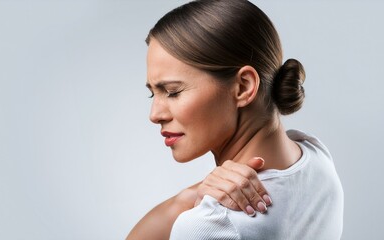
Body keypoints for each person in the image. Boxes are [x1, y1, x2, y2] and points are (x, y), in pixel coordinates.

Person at [128, 0, 344, 239]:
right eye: (153, 93)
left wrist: (193, 203)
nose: (155, 115)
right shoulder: (317, 159)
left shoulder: (210, 223)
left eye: (172, 91)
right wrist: (192, 195)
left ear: (243, 87)